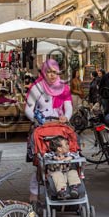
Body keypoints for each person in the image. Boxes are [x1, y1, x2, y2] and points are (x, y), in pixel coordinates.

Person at [25, 59, 73, 204]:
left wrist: (66, 117)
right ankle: (34, 193)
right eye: (49, 72)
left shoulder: (63, 88)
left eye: (54, 72)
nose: (52, 75)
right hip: (42, 128)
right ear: (44, 72)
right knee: (41, 163)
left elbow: (69, 106)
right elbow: (28, 109)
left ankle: (62, 188)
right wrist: (38, 120)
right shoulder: (36, 88)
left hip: (59, 127)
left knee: (64, 159)